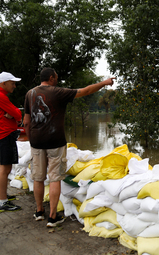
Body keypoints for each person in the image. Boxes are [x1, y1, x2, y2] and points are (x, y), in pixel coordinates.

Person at [24, 67, 114, 227]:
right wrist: (104, 83)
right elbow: (85, 91)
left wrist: (32, 140)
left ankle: (38, 212)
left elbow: (26, 121)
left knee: (37, 177)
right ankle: (52, 217)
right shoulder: (58, 92)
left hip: (36, 142)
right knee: (55, 178)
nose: (57, 79)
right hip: (55, 142)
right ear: (51, 78)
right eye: (56, 77)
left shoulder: (30, 94)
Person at [0, 72, 22, 212]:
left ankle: (2, 195)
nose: (14, 85)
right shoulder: (1, 97)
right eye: (12, 83)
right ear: (3, 84)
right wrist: (14, 116)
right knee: (5, 169)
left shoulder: (4, 97)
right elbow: (18, 114)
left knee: (5, 168)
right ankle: (2, 202)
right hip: (5, 135)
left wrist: (13, 115)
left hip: (4, 135)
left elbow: (15, 114)